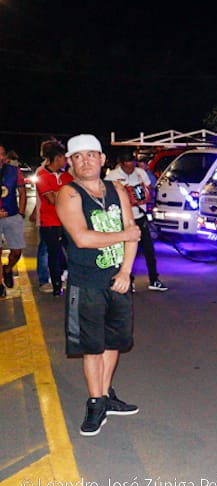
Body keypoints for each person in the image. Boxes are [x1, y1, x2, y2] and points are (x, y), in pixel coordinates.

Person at [56, 134, 142, 436]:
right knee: (92, 347)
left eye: (91, 154)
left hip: (117, 280)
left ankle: (105, 396)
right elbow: (82, 238)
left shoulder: (117, 189)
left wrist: (125, 272)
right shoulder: (69, 194)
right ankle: (95, 403)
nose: (86, 161)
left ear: (102, 159)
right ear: (70, 162)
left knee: (113, 342)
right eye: (78, 157)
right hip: (87, 283)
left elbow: (133, 229)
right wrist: (125, 236)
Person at [105, 151, 167, 292]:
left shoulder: (140, 173)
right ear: (121, 164)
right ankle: (128, 280)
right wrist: (124, 197)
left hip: (140, 216)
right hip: (123, 219)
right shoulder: (112, 176)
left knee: (149, 249)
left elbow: (150, 189)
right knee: (125, 251)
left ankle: (154, 279)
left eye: (132, 166)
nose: (130, 169)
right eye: (127, 167)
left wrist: (144, 196)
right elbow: (106, 196)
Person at [35, 139, 73, 296]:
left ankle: (69, 278)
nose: (66, 161)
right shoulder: (42, 174)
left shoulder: (67, 176)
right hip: (50, 222)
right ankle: (56, 286)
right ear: (57, 158)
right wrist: (65, 193)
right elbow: (51, 199)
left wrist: (59, 193)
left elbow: (74, 195)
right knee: (53, 253)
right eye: (64, 158)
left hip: (67, 221)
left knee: (71, 252)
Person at [0, 144, 27, 297]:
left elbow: (22, 192)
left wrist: (21, 213)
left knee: (17, 251)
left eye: (3, 154)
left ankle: (8, 268)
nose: (1, 157)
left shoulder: (14, 171)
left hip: (12, 216)